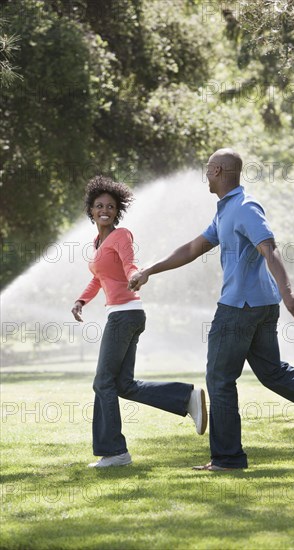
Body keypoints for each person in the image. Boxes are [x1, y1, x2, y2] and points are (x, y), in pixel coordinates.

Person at [128, 148, 294, 471]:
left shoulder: (245, 207)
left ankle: (228, 458)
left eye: (209, 168)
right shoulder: (226, 210)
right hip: (258, 307)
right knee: (273, 373)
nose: (205, 173)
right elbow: (193, 248)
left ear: (221, 170)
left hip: (240, 308)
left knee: (220, 378)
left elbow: (269, 250)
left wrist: (289, 293)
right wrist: (149, 271)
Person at [71, 175, 207, 468]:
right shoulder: (98, 242)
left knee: (103, 382)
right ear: (91, 210)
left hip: (124, 315)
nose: (104, 209)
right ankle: (186, 397)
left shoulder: (121, 236)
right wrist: (81, 300)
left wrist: (135, 274)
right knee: (124, 384)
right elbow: (98, 279)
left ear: (116, 211)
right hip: (123, 315)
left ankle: (115, 452)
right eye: (99, 205)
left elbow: (129, 262)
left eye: (110, 206)